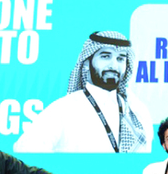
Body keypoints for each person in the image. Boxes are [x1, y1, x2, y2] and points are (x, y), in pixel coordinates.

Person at [14, 31, 153, 153]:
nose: (114, 65)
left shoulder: (137, 111)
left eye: (120, 58)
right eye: (105, 56)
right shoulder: (65, 109)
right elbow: (25, 148)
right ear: (86, 61)